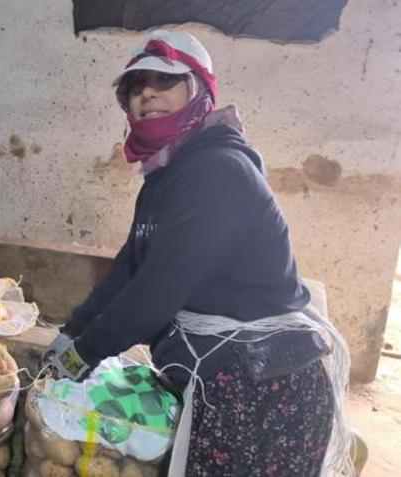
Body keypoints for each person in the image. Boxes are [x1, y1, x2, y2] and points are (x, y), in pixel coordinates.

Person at [42, 30, 351, 476]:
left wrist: (81, 355)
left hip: (261, 386)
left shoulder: (215, 170)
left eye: (163, 80)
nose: (146, 93)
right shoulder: (167, 175)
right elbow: (130, 267)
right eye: (134, 86)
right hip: (224, 379)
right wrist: (71, 331)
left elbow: (155, 293)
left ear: (200, 91)